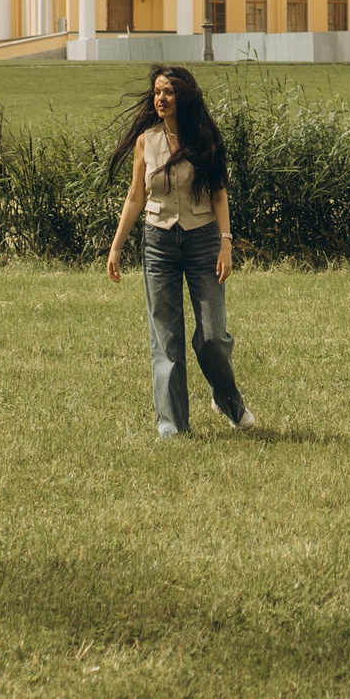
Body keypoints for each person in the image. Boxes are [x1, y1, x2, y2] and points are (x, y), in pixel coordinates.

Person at [105, 65, 254, 437]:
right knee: (165, 338)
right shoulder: (146, 141)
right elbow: (136, 196)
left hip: (203, 240)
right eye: (157, 92)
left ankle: (227, 400)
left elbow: (219, 194)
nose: (160, 98)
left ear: (183, 97)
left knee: (212, 336)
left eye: (168, 92)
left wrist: (225, 243)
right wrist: (116, 246)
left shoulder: (205, 140)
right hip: (158, 244)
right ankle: (172, 424)